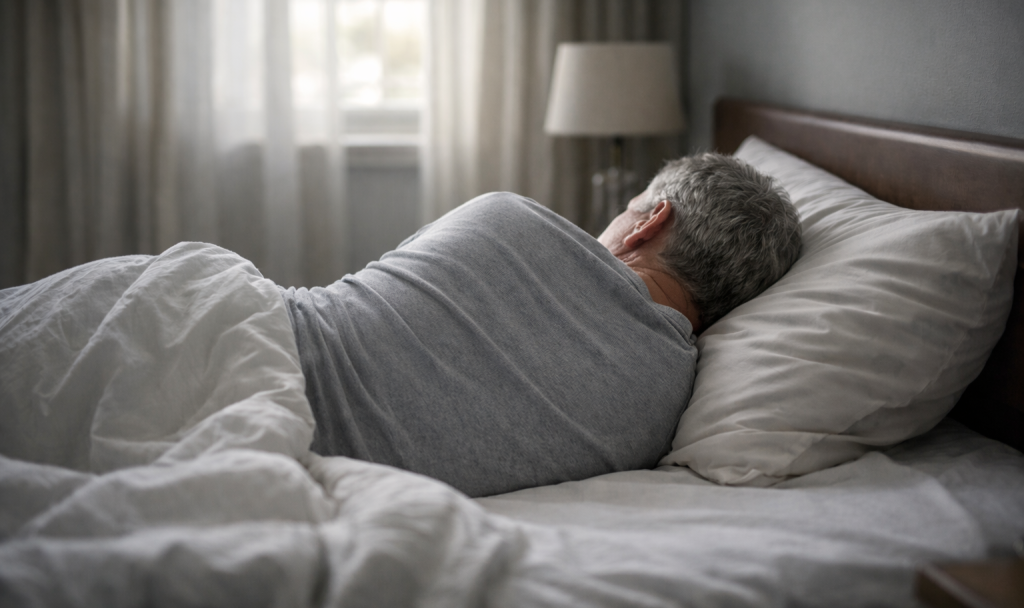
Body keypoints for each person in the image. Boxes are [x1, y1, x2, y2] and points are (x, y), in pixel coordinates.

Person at [280, 153, 801, 497]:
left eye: (628, 210)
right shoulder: (665, 411)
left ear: (651, 221)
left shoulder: (506, 218)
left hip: (264, 357)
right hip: (315, 473)